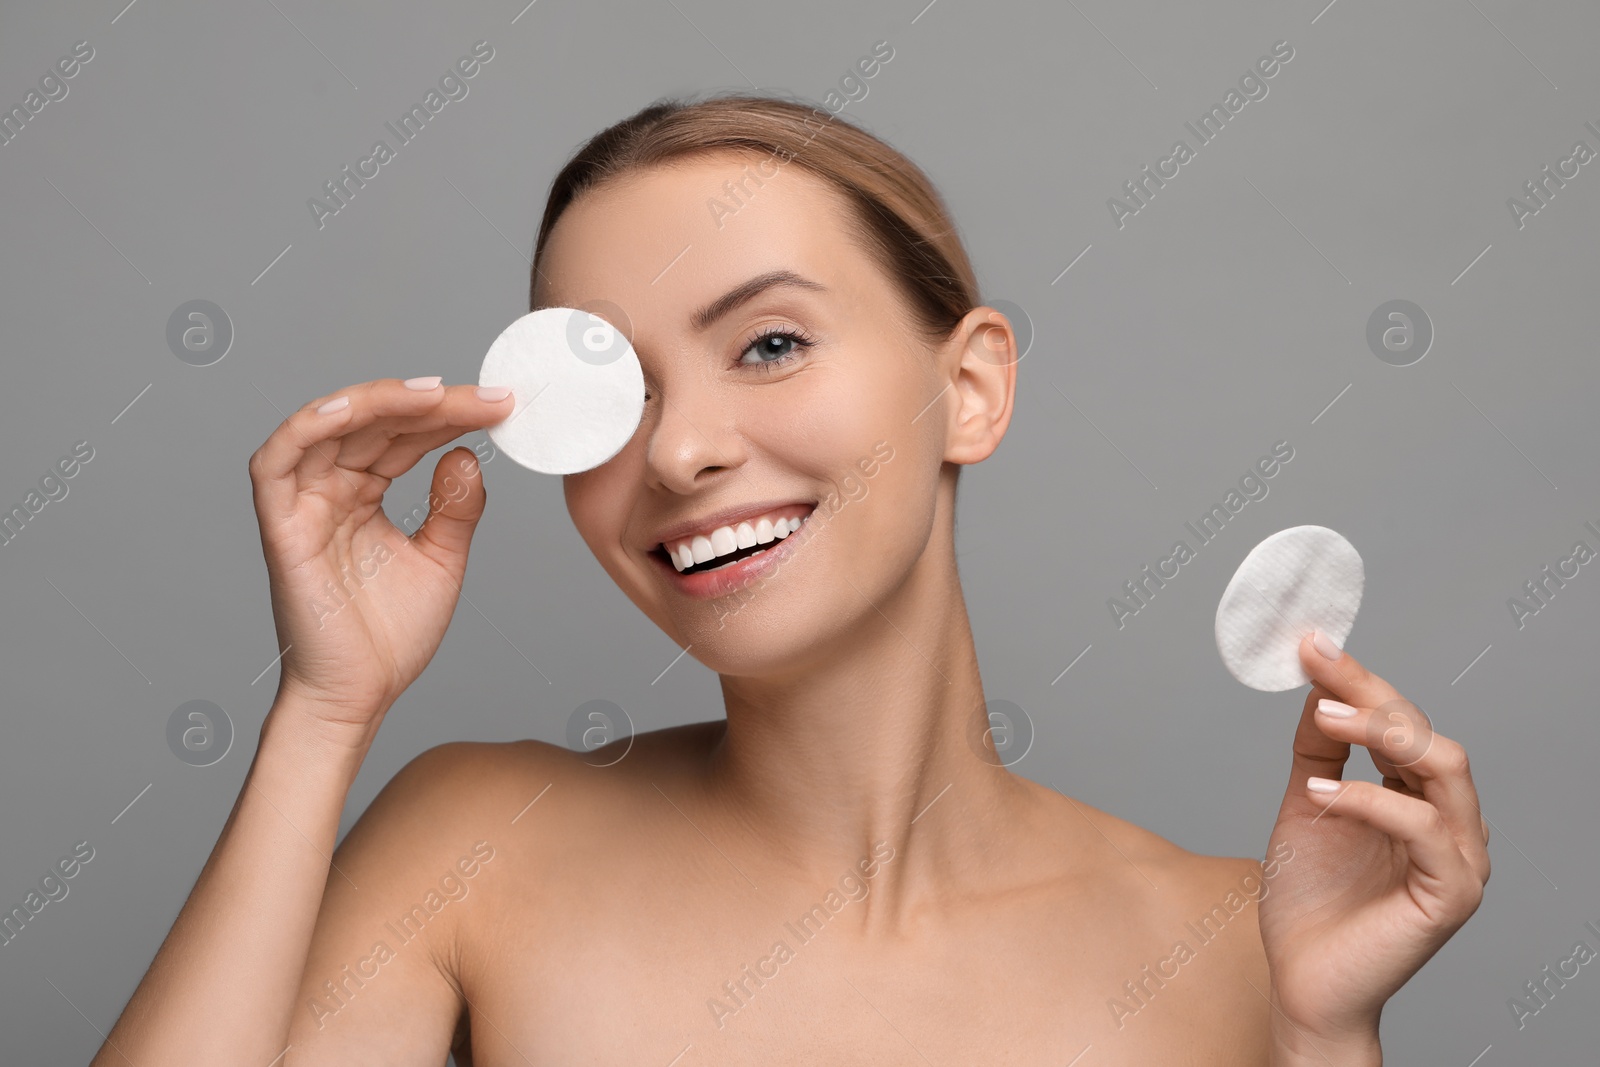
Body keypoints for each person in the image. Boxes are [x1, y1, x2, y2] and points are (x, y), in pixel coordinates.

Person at [93, 94, 1488, 1066]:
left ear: (970, 387)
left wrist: (1322, 1044)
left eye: (767, 345)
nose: (685, 447)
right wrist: (322, 714)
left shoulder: (1232, 946)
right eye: (619, 390)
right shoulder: (477, 846)